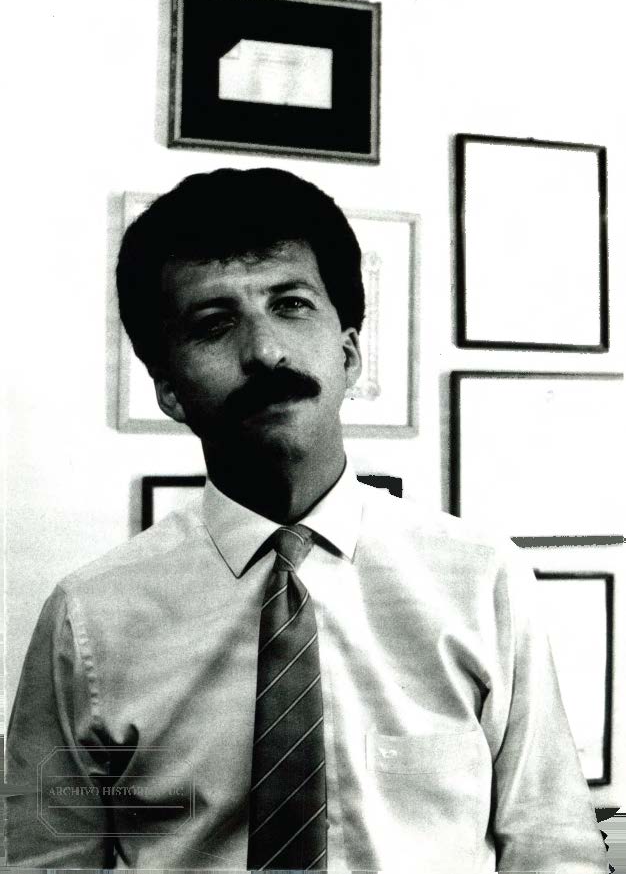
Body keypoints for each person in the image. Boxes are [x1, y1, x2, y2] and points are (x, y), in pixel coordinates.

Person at [6, 169, 607, 872]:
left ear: (349, 354)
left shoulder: (482, 579)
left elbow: (550, 845)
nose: (264, 351)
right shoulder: (89, 616)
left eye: (291, 305)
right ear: (168, 389)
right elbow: (48, 861)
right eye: (214, 324)